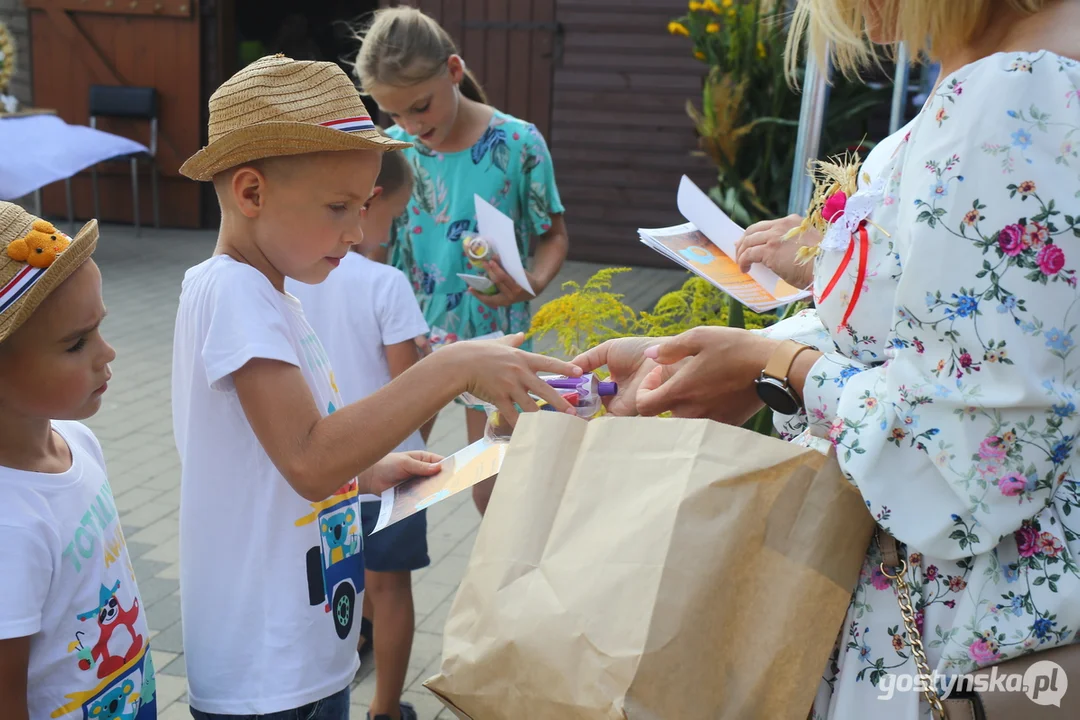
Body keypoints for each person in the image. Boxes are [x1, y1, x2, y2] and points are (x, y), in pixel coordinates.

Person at [574, 1, 1080, 717]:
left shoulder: (1012, 94)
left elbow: (966, 465)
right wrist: (725, 360)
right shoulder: (1005, 70)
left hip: (958, 633)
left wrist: (784, 371)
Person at [172, 55, 579, 719]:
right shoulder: (234, 293)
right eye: (337, 208)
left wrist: (369, 471)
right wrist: (446, 371)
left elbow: (276, 458)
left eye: (362, 207)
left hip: (304, 655)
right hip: (264, 671)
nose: (358, 233)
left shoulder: (275, 295)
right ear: (251, 193)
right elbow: (308, 459)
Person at [354, 6, 570, 515]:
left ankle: (501, 593)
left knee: (492, 492)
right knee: (390, 485)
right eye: (394, 114)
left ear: (454, 71)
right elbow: (374, 245)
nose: (410, 125)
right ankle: (385, 595)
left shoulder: (519, 143)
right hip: (408, 342)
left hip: (495, 340)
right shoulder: (393, 148)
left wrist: (531, 282)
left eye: (420, 107)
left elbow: (554, 234)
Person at [286, 148, 430, 720]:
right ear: (366, 206)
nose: (390, 231)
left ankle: (330, 685)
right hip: (387, 463)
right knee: (390, 591)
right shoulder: (387, 283)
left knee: (332, 587)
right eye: (393, 217)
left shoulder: (290, 277)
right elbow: (412, 388)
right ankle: (387, 709)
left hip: (318, 467)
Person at [0, 205, 156, 720]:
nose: (106, 353)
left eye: (99, 329)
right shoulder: (10, 524)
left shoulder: (79, 442)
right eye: (76, 343)